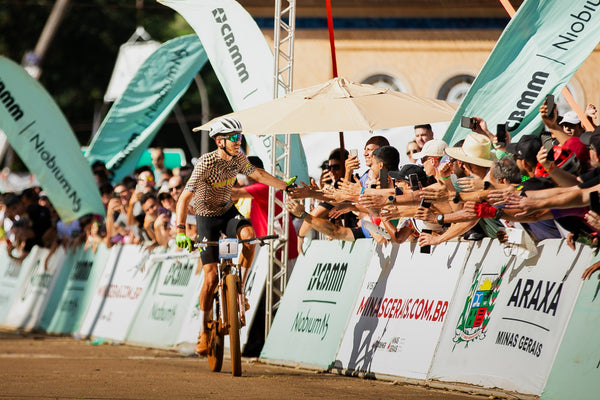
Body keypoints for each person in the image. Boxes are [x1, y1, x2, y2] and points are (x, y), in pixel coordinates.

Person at [174, 116, 296, 356]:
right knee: (210, 278)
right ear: (220, 141)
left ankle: (238, 286)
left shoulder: (238, 158)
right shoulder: (205, 164)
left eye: (239, 137)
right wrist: (180, 229)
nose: (238, 141)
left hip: (227, 210)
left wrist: (284, 185)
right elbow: (184, 198)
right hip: (206, 217)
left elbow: (259, 175)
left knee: (249, 237)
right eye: (233, 138)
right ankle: (202, 331)